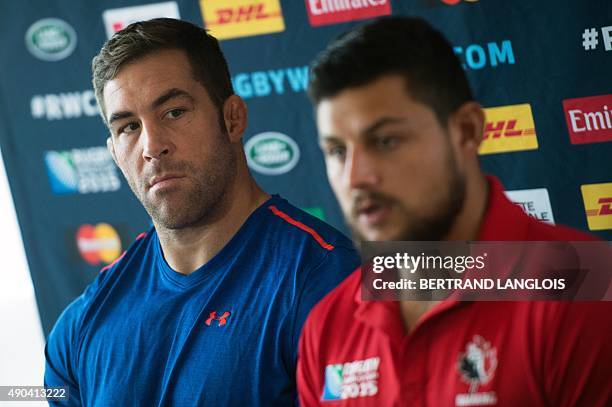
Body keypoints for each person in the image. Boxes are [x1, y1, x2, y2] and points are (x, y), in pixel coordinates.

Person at [44, 18, 359, 406]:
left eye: (174, 112)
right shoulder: (80, 326)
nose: (152, 145)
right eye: (128, 127)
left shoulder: (329, 281)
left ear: (233, 118)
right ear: (114, 153)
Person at [297, 17, 611, 406]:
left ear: (466, 130)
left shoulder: (587, 293)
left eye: (385, 140)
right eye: (337, 151)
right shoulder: (326, 325)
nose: (355, 177)